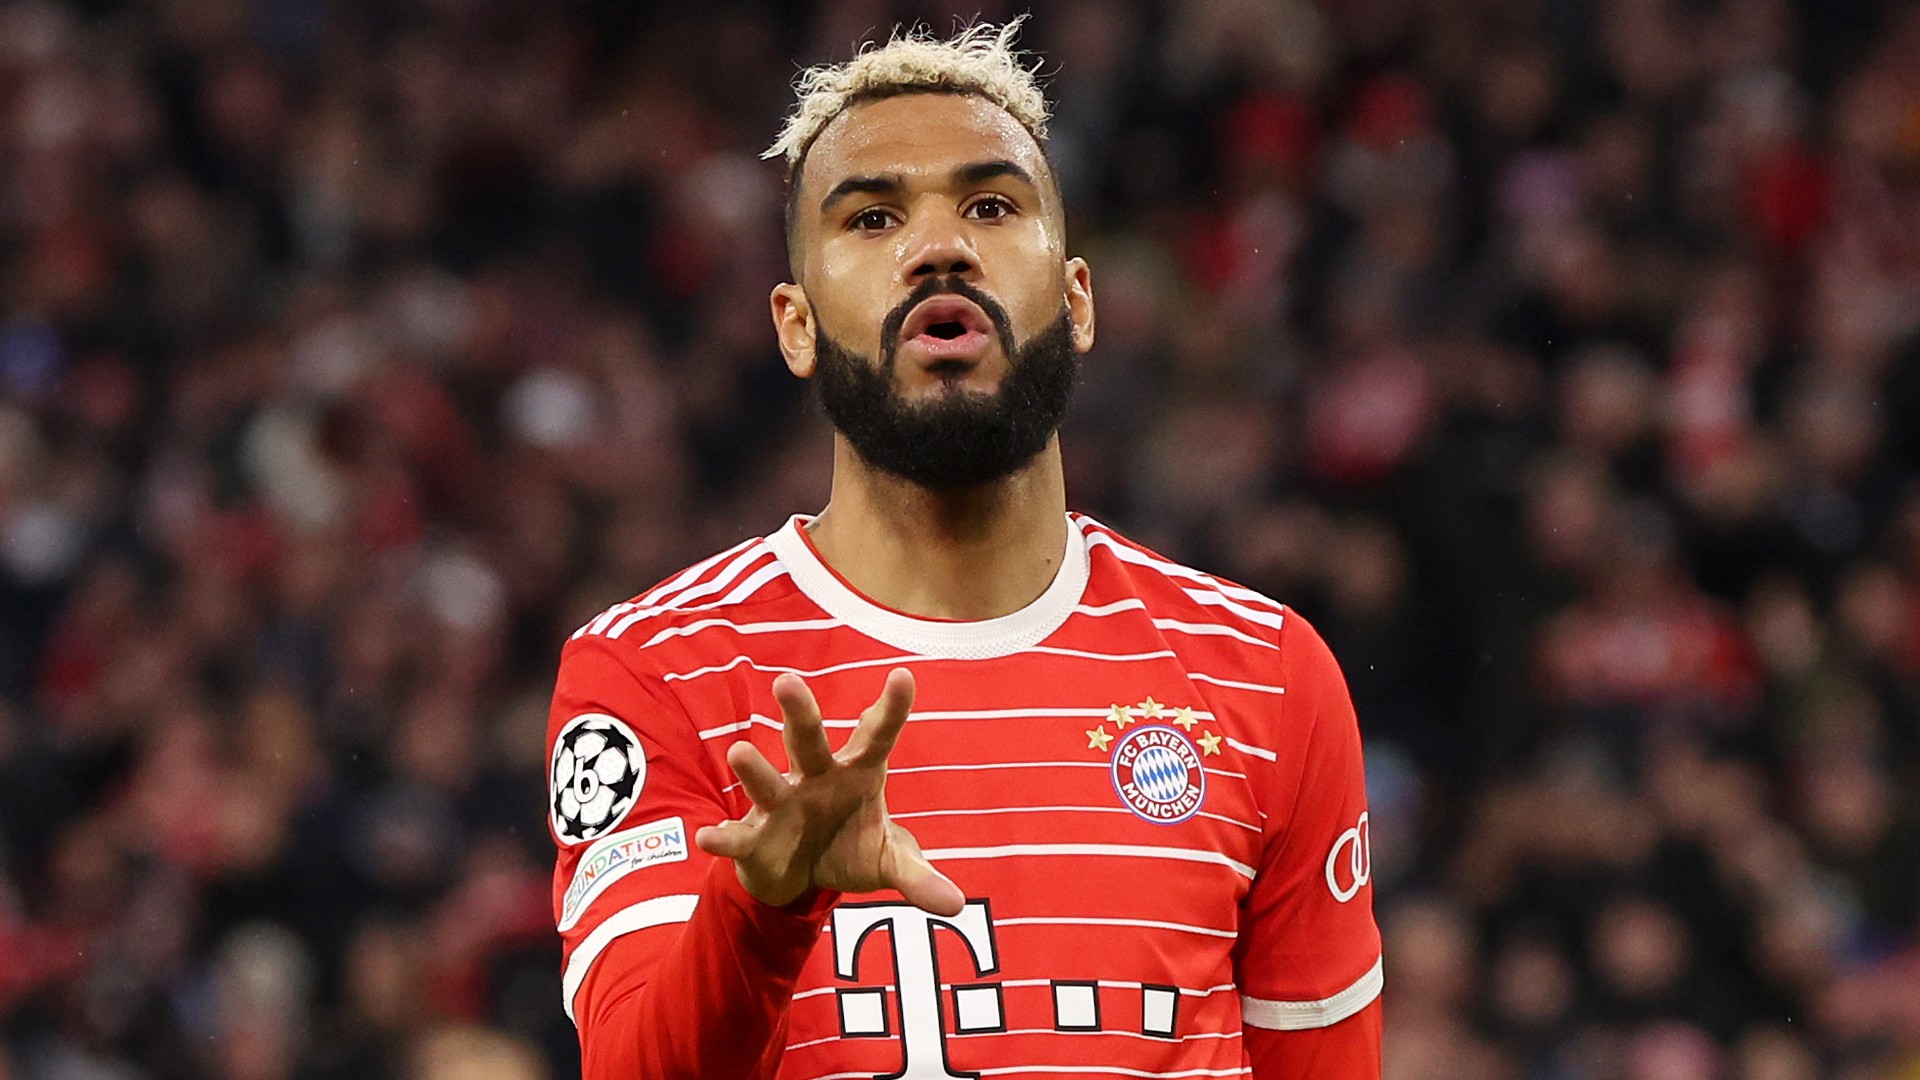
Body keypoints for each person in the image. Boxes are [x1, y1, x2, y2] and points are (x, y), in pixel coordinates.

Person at [545, 20, 1382, 1079]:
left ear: (1077, 300)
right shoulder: (657, 673)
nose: (939, 245)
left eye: (991, 205)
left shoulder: (1266, 676)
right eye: (872, 216)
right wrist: (765, 906)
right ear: (796, 327)